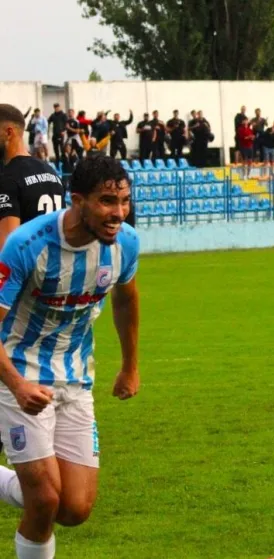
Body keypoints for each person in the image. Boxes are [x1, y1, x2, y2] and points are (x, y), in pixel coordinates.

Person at [0, 153, 140, 559]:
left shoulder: (125, 244)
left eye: (124, 201)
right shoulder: (27, 245)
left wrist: (130, 366)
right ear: (76, 201)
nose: (118, 213)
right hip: (19, 373)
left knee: (74, 508)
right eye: (106, 202)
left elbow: (127, 299)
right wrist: (16, 383)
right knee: (43, 500)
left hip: (76, 378)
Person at [0, 104, 66, 249]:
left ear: (8, 133)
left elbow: (7, 248)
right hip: (53, 266)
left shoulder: (8, 178)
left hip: (25, 269)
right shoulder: (51, 172)